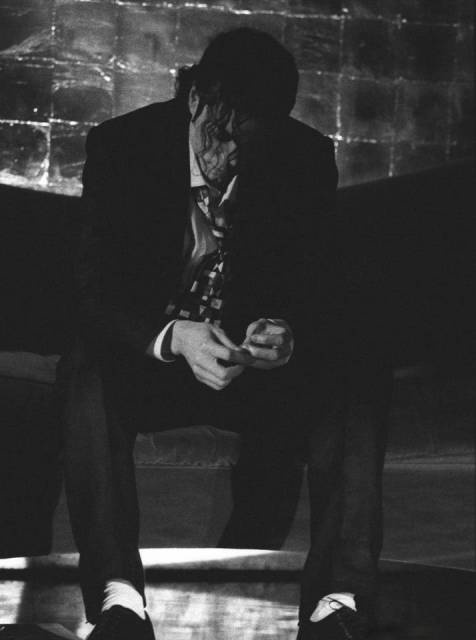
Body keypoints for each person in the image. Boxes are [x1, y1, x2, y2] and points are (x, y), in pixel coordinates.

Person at [59, 28, 392, 640]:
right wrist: (172, 336)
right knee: (85, 363)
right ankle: (117, 599)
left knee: (359, 367)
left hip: (251, 374)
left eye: (252, 143)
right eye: (222, 135)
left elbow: (323, 291)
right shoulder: (123, 146)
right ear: (195, 100)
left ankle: (339, 603)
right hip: (155, 364)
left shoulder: (304, 156)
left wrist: (286, 331)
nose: (231, 159)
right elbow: (91, 291)